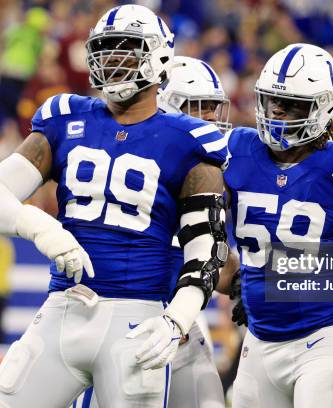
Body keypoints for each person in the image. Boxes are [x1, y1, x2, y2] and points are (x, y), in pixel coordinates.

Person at [0, 5, 229, 407]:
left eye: (125, 49)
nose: (111, 59)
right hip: (63, 307)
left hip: (138, 317)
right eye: (104, 49)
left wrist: (177, 318)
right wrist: (44, 228)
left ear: (159, 55)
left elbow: (207, 251)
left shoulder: (190, 139)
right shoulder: (65, 117)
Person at [223, 43, 333, 408]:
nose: (277, 112)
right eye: (272, 101)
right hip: (257, 340)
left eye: (292, 105)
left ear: (324, 106)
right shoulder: (235, 150)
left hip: (323, 340)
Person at [72, 55, 231, 408]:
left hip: (184, 331)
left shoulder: (213, 170)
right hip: (124, 330)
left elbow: (217, 263)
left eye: (212, 108)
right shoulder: (130, 173)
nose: (208, 119)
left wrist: (255, 287)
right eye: (196, 107)